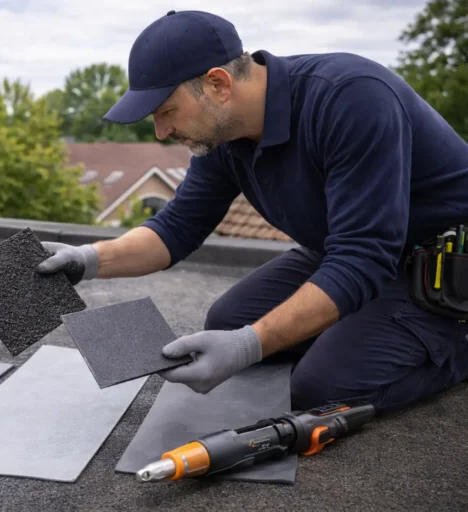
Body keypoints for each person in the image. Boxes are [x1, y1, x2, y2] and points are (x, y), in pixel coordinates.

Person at [37, 10, 468, 414]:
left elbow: (363, 259)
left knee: (320, 389)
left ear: (218, 84)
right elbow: (177, 227)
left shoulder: (351, 98)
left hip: (444, 269)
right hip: (355, 250)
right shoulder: (224, 135)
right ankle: (364, 326)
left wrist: (250, 346)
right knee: (228, 322)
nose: (162, 132)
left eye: (167, 112)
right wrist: (87, 260)